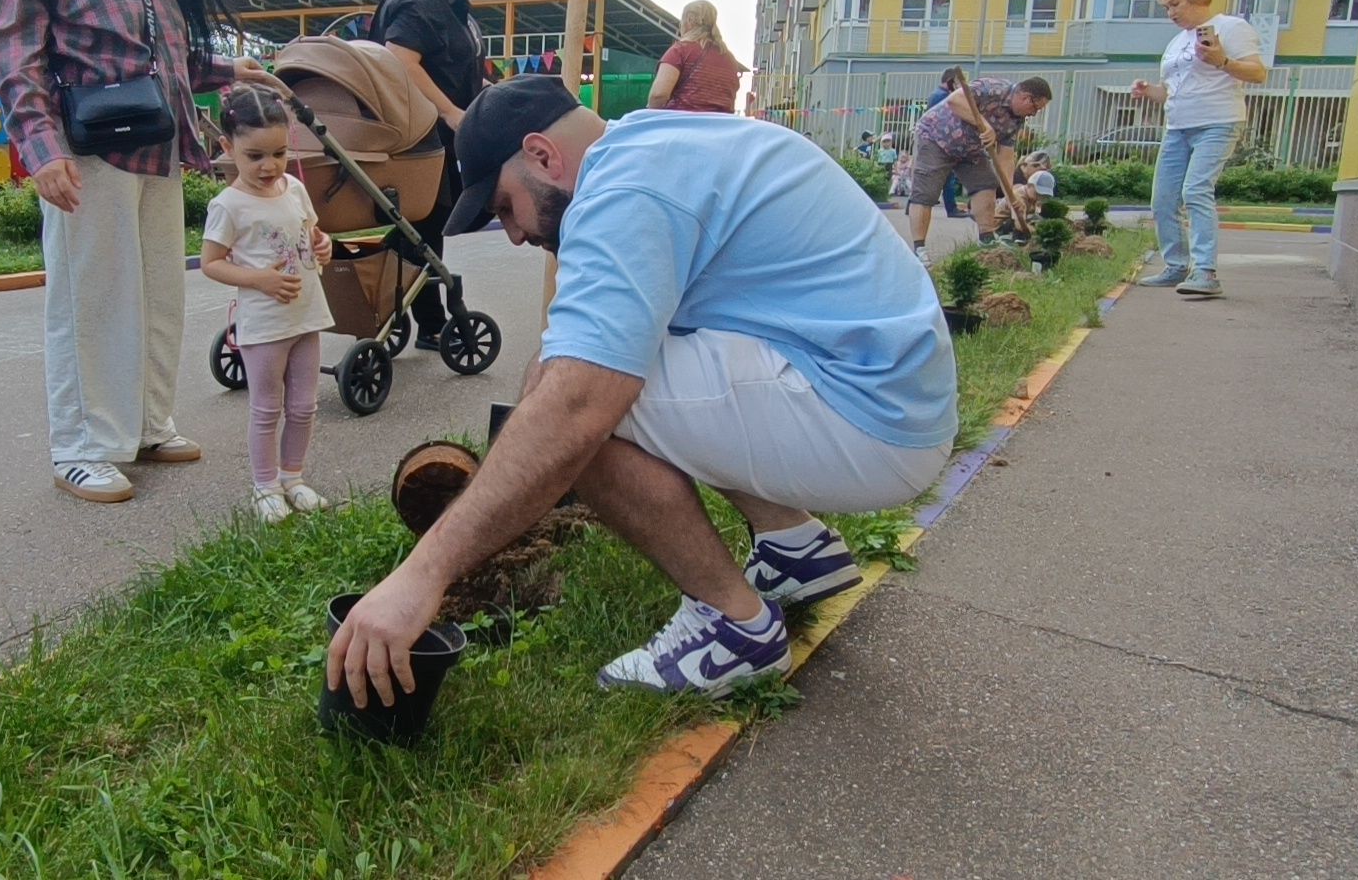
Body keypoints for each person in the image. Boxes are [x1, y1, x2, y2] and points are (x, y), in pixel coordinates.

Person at [325, 76, 958, 706]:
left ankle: (736, 627)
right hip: (884, 389)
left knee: (571, 409)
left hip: (870, 418)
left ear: (542, 155)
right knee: (580, 373)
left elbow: (574, 408)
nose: (513, 234)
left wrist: (424, 575)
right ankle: (795, 549)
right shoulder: (651, 148)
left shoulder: (621, 195)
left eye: (505, 207)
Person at [0, 0, 282, 504]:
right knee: (91, 304)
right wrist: (41, 148)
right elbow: (12, 50)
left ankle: (147, 425)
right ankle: (82, 447)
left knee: (156, 299)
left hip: (157, 149)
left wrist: (228, 69)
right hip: (87, 153)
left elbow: (159, 57)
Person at [199, 85, 336, 522]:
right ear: (228, 148)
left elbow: (312, 234)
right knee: (266, 408)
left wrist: (325, 245)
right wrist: (260, 279)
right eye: (255, 155)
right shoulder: (228, 205)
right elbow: (211, 263)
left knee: (304, 406)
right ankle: (265, 486)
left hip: (306, 315)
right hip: (265, 325)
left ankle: (293, 477)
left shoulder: (293, 188)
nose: (269, 166)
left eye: (278, 153)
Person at [369, 0, 488, 351]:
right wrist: (451, 111)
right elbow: (400, 60)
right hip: (417, 136)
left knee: (425, 222)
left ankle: (417, 316)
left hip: (431, 136)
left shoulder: (443, 1)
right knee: (422, 222)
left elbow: (445, 64)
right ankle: (428, 321)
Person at [1132, 0, 1268, 298]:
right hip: (1177, 126)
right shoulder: (1177, 41)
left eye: (1175, 4)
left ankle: (1205, 272)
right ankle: (1176, 266)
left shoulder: (1231, 27)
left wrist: (1222, 60)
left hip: (1217, 122)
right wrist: (1149, 91)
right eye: (1167, 8)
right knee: (1163, 198)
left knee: (1195, 190)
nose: (1171, 13)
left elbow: (1258, 73)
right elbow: (1172, 90)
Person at [905, 76, 1054, 266]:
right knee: (925, 193)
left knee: (986, 184)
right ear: (1026, 98)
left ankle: (987, 238)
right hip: (935, 138)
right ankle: (919, 250)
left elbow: (1006, 158)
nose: (1034, 114)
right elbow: (955, 100)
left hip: (970, 149)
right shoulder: (993, 88)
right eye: (1036, 108)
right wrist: (984, 125)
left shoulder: (1016, 121)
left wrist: (1011, 195)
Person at [646, 0, 740, 114]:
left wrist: (650, 113)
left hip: (683, 122)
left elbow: (658, 95)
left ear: (689, 19)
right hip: (721, 123)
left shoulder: (680, 50)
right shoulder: (729, 58)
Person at [924, 70, 967, 218]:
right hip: (941, 142)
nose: (959, 86)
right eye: (957, 82)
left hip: (935, 141)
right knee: (947, 177)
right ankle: (951, 208)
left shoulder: (937, 95)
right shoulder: (943, 97)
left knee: (933, 177)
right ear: (950, 81)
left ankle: (913, 206)